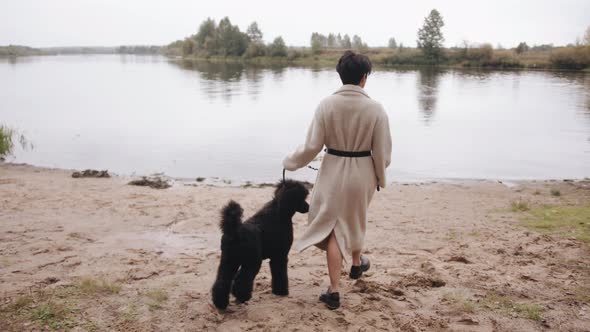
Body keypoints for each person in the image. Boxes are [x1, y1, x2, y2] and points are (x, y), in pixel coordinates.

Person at [283, 50, 392, 309]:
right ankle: (356, 263)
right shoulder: (376, 109)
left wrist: (291, 162)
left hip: (332, 169)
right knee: (354, 218)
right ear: (364, 77)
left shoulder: (326, 105)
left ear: (340, 75)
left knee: (333, 227)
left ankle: (334, 290)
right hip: (362, 173)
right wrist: (380, 176)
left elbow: (312, 146)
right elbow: (382, 151)